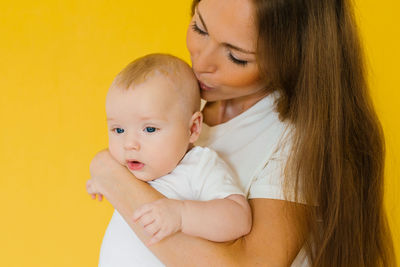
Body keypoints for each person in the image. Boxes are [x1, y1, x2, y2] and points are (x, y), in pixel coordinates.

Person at [87, 0, 396, 266]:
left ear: (293, 59)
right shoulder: (178, 101)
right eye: (200, 28)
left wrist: (112, 176)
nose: (201, 64)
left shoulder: (295, 139)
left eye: (236, 57)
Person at [86, 53, 252, 266]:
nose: (129, 144)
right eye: (118, 129)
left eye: (149, 129)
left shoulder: (199, 165)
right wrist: (104, 183)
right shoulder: (133, 168)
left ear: (192, 128)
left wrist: (182, 214)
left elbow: (238, 218)